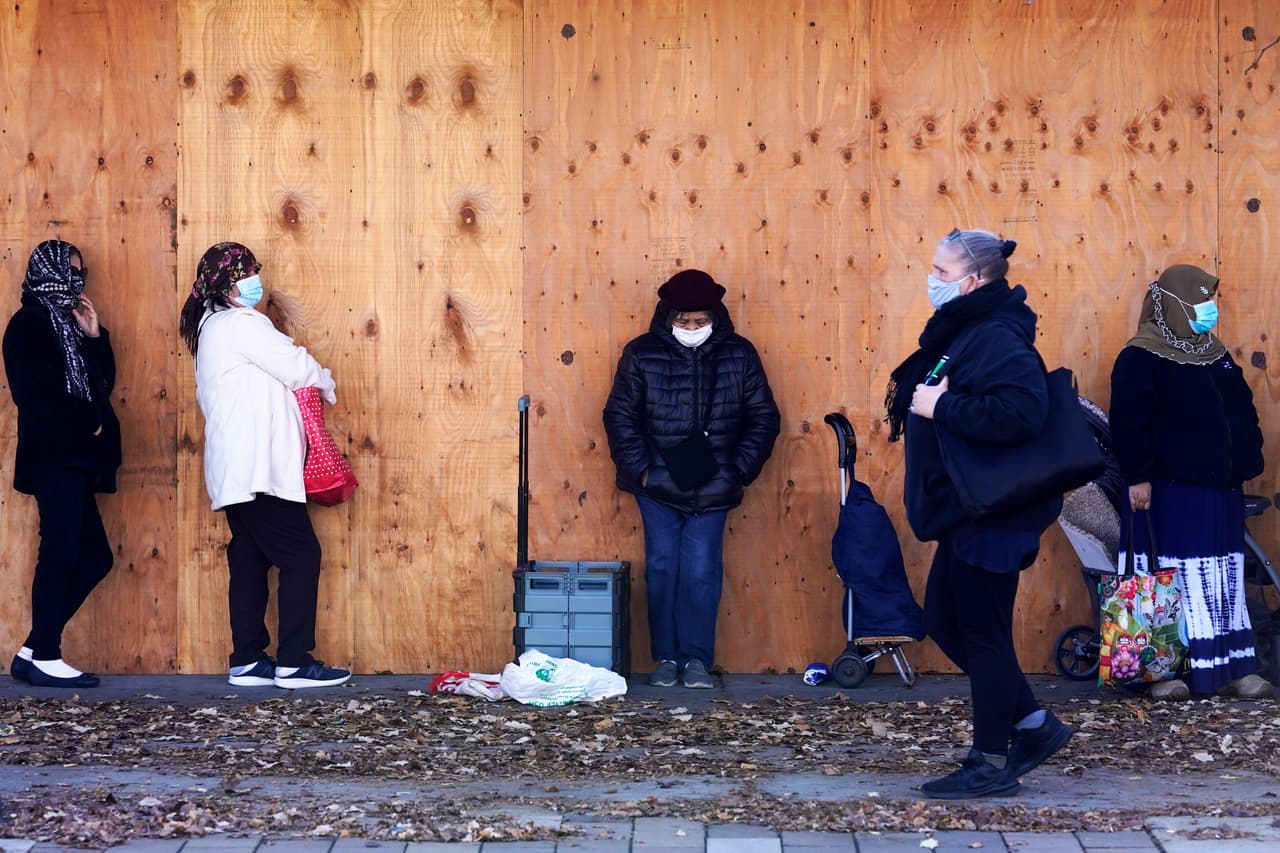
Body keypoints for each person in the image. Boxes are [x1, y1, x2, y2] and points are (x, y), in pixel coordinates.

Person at [885, 229, 1073, 799]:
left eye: (941, 272)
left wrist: (942, 404)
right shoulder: (969, 329)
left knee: (984, 635)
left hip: (993, 512)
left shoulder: (996, 336)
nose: (932, 280)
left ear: (973, 280)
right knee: (944, 619)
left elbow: (1022, 410)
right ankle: (1034, 727)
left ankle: (990, 760)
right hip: (968, 510)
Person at [179, 242, 350, 689]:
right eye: (248, 273)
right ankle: (294, 661)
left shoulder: (211, 327)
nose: (256, 280)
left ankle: (249, 659)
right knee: (301, 555)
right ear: (229, 285)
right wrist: (326, 383)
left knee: (250, 558)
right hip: (259, 470)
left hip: (237, 471)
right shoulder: (241, 323)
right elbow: (296, 365)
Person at [603, 269, 780, 689]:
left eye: (700, 321)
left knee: (701, 570)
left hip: (714, 487)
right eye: (683, 321)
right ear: (667, 316)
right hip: (657, 487)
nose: (691, 329)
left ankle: (697, 660)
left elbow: (764, 417)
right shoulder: (641, 354)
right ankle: (665, 657)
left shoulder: (739, 354)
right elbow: (619, 416)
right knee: (662, 570)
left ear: (715, 317)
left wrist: (737, 470)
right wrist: (644, 470)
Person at [1109, 264, 1273, 701]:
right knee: (1173, 580)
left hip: (1220, 490)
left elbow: (1239, 406)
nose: (1208, 310)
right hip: (1169, 492)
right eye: (1199, 302)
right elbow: (1130, 422)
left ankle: (1231, 669)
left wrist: (1244, 454)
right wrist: (1137, 477)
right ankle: (1164, 673)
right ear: (1171, 307)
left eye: (1210, 300)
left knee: (1219, 579)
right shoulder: (1140, 357)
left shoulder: (1213, 352)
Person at [3, 240, 121, 688]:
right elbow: (34, 394)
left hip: (76, 461)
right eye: (70, 271)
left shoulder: (69, 325)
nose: (78, 280)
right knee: (60, 551)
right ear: (48, 272)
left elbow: (103, 382)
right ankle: (46, 654)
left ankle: (35, 649)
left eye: (81, 272)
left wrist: (94, 336)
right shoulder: (28, 324)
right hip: (54, 457)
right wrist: (87, 422)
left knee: (94, 557)